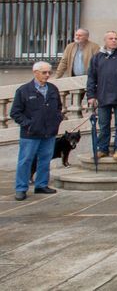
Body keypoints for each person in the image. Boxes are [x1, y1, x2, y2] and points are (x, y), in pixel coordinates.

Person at [11, 61, 62, 200]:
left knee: (45, 159)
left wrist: (57, 119)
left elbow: (58, 107)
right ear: (35, 73)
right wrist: (28, 124)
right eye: (44, 72)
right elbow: (15, 112)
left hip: (49, 132)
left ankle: (41, 185)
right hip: (30, 134)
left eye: (49, 73)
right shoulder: (23, 90)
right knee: (25, 160)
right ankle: (21, 188)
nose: (47, 75)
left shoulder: (53, 89)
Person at [86, 31, 117, 160]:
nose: (114, 41)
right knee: (104, 124)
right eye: (111, 38)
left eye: (116, 38)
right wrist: (91, 95)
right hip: (103, 96)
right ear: (105, 40)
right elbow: (91, 77)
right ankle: (102, 148)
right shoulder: (97, 57)